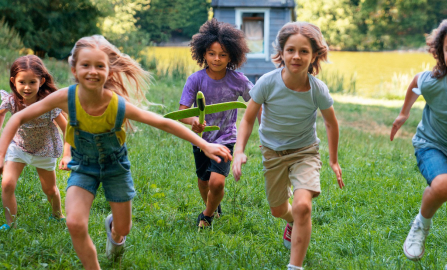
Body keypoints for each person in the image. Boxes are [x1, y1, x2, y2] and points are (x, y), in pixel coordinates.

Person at [0, 35, 232, 270]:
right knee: (75, 223)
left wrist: (204, 144)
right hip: (83, 167)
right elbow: (17, 118)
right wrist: (1, 154)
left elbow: (162, 123)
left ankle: (114, 230)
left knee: (124, 228)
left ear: (109, 71)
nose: (92, 71)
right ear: (74, 68)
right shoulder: (65, 97)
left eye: (100, 66)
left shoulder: (116, 103)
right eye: (86, 65)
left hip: (115, 168)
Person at [232, 22, 344, 270]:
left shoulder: (317, 90)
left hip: (305, 152)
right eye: (291, 50)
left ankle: (295, 266)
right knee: (278, 209)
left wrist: (333, 160)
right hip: (272, 153)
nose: (296, 56)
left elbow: (331, 124)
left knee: (303, 206)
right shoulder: (267, 83)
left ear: (314, 55)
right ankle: (292, 221)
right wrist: (239, 150)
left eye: (304, 51)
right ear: (281, 52)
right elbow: (248, 118)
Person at [390, 14, 447, 270]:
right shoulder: (434, 80)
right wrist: (404, 112)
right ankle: (421, 223)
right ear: (441, 53)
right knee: (444, 184)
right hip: (432, 144)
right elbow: (416, 82)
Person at [177, 18, 253, 228]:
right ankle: (212, 207)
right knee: (203, 182)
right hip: (201, 139)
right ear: (203, 53)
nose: (217, 59)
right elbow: (182, 113)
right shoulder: (195, 80)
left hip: (226, 139)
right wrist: (193, 121)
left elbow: (255, 104)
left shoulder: (239, 80)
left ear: (232, 56)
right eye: (211, 53)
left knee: (216, 181)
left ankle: (207, 216)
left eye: (223, 54)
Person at [0, 55, 67, 231]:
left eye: (32, 82)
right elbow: (1, 112)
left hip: (44, 150)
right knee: (7, 184)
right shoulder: (12, 101)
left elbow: (67, 128)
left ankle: (57, 215)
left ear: (42, 81)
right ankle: (10, 223)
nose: (27, 87)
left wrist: (69, 153)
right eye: (22, 82)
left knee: (50, 190)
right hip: (19, 147)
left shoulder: (48, 103)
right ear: (14, 81)